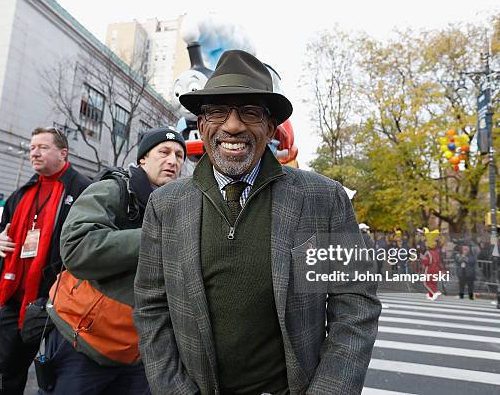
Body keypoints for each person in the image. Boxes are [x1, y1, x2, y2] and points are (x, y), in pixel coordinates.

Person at [134, 50, 381, 395]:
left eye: (249, 112)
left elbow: (355, 307)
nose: (232, 125)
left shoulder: (325, 198)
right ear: (202, 126)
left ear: (269, 127)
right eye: (218, 111)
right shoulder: (165, 205)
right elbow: (151, 308)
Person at [44, 127, 186, 394]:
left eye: (179, 156)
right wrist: (154, 236)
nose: (173, 161)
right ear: (143, 158)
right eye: (164, 152)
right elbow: (77, 249)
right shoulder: (113, 189)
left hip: (140, 353)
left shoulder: (179, 208)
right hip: (82, 345)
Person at [0, 127, 90, 394]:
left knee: (58, 375)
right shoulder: (25, 189)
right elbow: (2, 227)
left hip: (59, 299)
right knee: (7, 370)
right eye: (32, 147)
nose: (35, 152)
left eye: (42, 147)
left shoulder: (83, 189)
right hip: (15, 295)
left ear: (63, 152)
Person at [421, 228, 443, 300]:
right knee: (433, 282)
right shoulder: (436, 252)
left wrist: (422, 258)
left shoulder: (428, 252)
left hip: (430, 269)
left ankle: (435, 292)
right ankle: (431, 294)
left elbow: (427, 261)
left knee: (427, 282)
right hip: (436, 269)